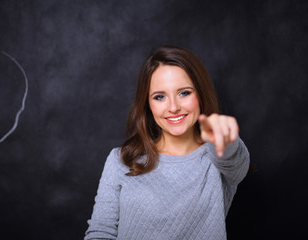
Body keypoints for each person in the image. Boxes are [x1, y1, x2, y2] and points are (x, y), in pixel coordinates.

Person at [84, 45, 250, 240]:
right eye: (160, 97)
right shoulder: (120, 160)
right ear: (148, 104)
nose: (173, 107)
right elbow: (100, 233)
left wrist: (225, 139)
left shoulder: (219, 160)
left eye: (184, 93)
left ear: (200, 94)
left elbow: (234, 158)